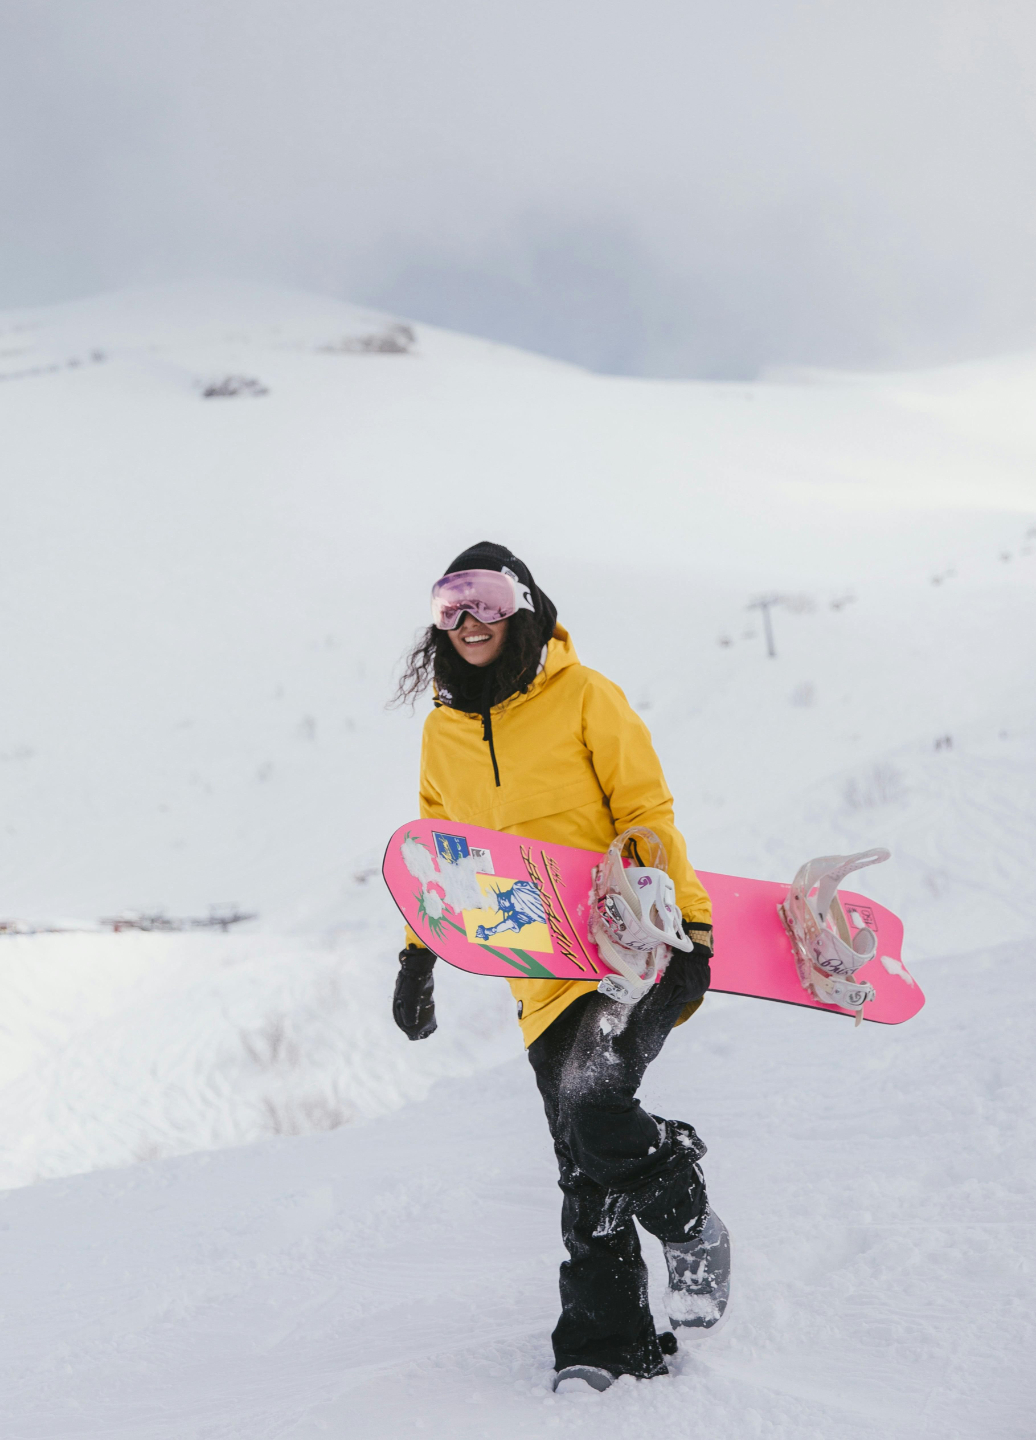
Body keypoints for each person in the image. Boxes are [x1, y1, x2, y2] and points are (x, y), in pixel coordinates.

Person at [391, 541, 729, 1393]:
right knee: (580, 1157)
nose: (469, 620)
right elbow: (439, 857)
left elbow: (646, 809)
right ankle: (610, 1344)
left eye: (486, 599)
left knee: (592, 1100)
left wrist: (688, 926)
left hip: (637, 946)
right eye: (449, 604)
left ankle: (686, 1214)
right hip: (538, 974)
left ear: (525, 606)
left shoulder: (584, 695)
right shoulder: (442, 733)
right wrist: (418, 957)